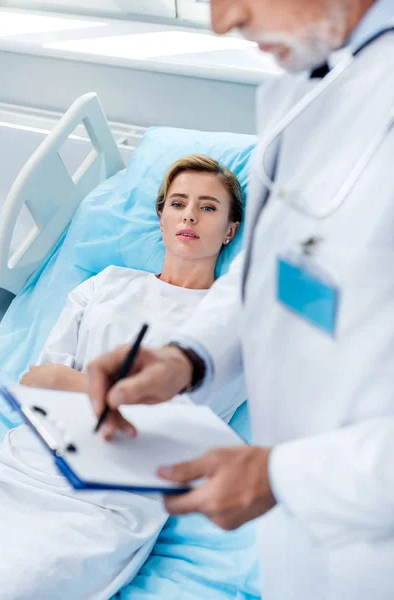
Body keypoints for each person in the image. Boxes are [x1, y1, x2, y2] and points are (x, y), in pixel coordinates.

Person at [86, 1, 394, 599]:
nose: (223, 21)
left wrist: (282, 476)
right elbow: (281, 269)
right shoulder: (313, 82)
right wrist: (189, 355)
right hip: (297, 529)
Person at [0, 155, 244, 600]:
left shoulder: (226, 328)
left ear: (230, 229)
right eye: (177, 203)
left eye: (208, 207)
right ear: (161, 218)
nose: (189, 214)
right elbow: (36, 381)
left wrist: (70, 383)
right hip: (26, 462)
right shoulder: (106, 284)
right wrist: (106, 394)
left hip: (109, 495)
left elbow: (180, 425)